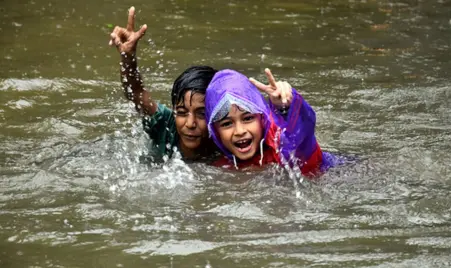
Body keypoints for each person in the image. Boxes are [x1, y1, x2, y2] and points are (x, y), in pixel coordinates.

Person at [108, 6, 218, 160]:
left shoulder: (224, 140)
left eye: (201, 114)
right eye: (181, 112)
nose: (190, 123)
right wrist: (128, 58)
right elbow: (136, 93)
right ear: (174, 112)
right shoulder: (166, 125)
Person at [205, 68, 340, 176]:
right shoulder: (220, 166)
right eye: (227, 124)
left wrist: (285, 107)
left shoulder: (281, 146)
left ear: (262, 119)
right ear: (216, 132)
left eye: (248, 118)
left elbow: (302, 134)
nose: (240, 131)